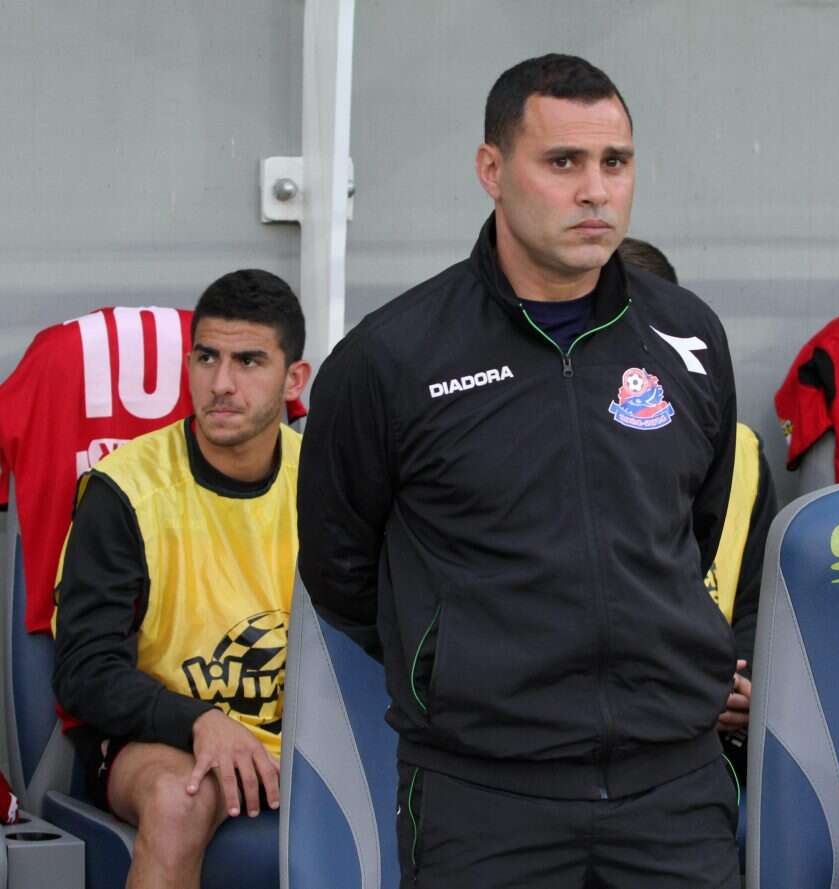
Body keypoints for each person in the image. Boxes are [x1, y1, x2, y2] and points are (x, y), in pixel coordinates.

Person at [297, 55, 741, 887]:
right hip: (485, 800)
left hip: (674, 792)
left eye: (615, 162)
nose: (596, 191)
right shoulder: (393, 356)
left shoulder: (689, 336)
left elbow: (692, 528)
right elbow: (339, 565)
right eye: (563, 162)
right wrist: (452, 659)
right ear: (492, 170)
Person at [53, 270, 310, 889]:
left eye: (249, 361)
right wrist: (199, 720)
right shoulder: (126, 489)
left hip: (309, 742)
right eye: (206, 357)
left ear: (294, 379)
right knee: (178, 798)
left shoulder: (330, 479)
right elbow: (84, 670)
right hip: (161, 738)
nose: (221, 384)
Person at [618, 236, 777, 780]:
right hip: (600, 730)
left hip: (711, 730)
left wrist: (743, 685)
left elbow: (759, 598)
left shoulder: (742, 449)